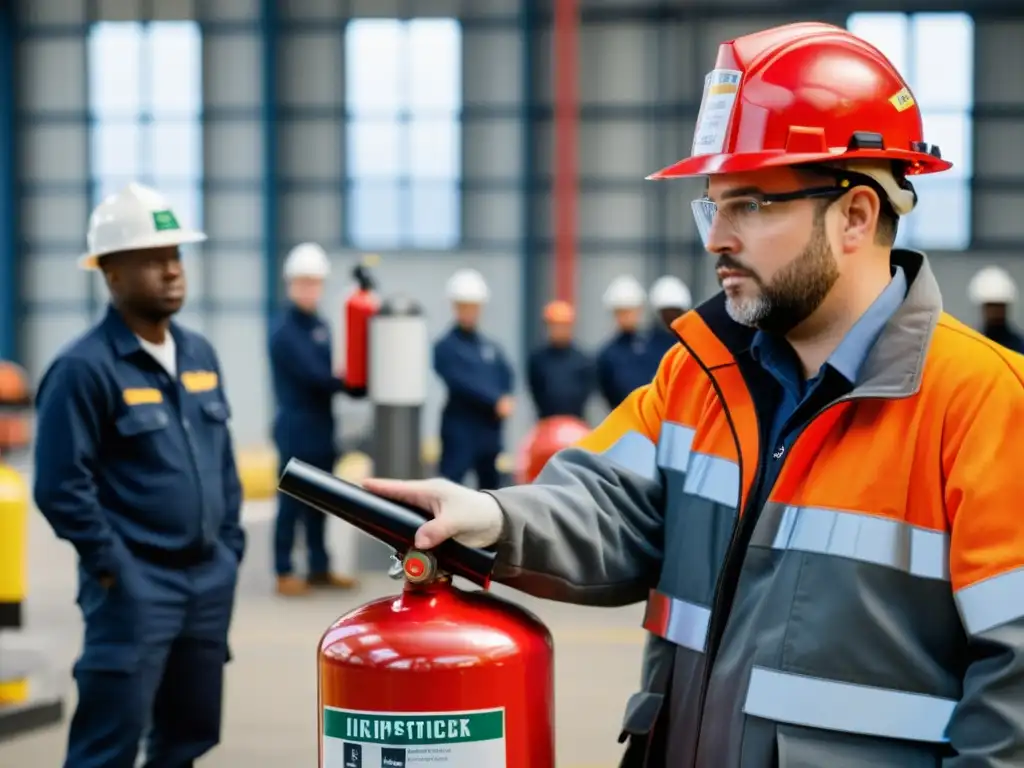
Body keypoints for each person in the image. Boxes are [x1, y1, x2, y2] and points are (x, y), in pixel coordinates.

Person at [363, 22, 1024, 768]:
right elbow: (609, 505)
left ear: (855, 217)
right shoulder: (699, 376)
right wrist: (491, 516)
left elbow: (1017, 695)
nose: (716, 238)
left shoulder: (984, 405)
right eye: (712, 206)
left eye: (750, 205)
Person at [33, 183, 245, 767]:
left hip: (207, 583)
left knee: (188, 738)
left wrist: (228, 551)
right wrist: (113, 568)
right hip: (134, 588)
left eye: (175, 256)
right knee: (109, 744)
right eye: (152, 260)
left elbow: (222, 465)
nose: (173, 272)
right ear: (111, 274)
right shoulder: (84, 368)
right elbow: (58, 486)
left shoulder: (200, 355)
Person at [268, 242, 363, 597]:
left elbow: (334, 370)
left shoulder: (321, 325)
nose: (310, 289)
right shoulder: (284, 331)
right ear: (291, 285)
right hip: (296, 426)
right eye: (304, 282)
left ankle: (320, 567)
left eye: (315, 282)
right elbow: (317, 375)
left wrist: (354, 380)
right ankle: (284, 569)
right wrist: (350, 381)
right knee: (291, 502)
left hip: (323, 426)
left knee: (322, 502)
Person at [433, 268, 514, 490]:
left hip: (489, 430)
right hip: (460, 429)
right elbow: (461, 382)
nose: (469, 312)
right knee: (450, 487)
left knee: (491, 491)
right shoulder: (445, 347)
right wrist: (495, 400)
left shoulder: (490, 347)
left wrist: (505, 398)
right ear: (454, 307)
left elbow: (506, 374)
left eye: (473, 306)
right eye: (464, 306)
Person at [526, 300, 596, 420]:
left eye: (563, 326)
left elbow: (586, 391)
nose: (558, 330)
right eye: (554, 326)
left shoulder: (583, 360)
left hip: (576, 423)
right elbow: (535, 389)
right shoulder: (538, 360)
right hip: (546, 423)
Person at [596, 274, 653, 409]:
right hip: (621, 418)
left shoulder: (652, 348)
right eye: (622, 312)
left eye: (630, 311)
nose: (627, 317)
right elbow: (607, 390)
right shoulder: (607, 354)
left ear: (639, 310)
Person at [967, 265, 1024, 353]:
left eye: (999, 306)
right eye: (991, 306)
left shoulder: (1020, 347)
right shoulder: (973, 345)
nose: (995, 311)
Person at [646, 275, 692, 360]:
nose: (671, 318)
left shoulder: (693, 345)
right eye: (666, 313)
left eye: (675, 312)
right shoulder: (647, 348)